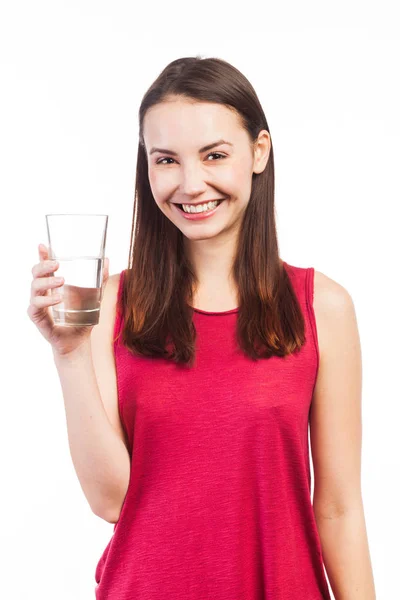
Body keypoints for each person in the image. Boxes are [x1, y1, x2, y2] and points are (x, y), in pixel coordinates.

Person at [28, 56, 376, 599]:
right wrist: (68, 354)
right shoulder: (109, 304)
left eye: (214, 155)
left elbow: (337, 508)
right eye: (166, 160)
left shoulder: (321, 307)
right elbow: (112, 501)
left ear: (259, 152)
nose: (191, 184)